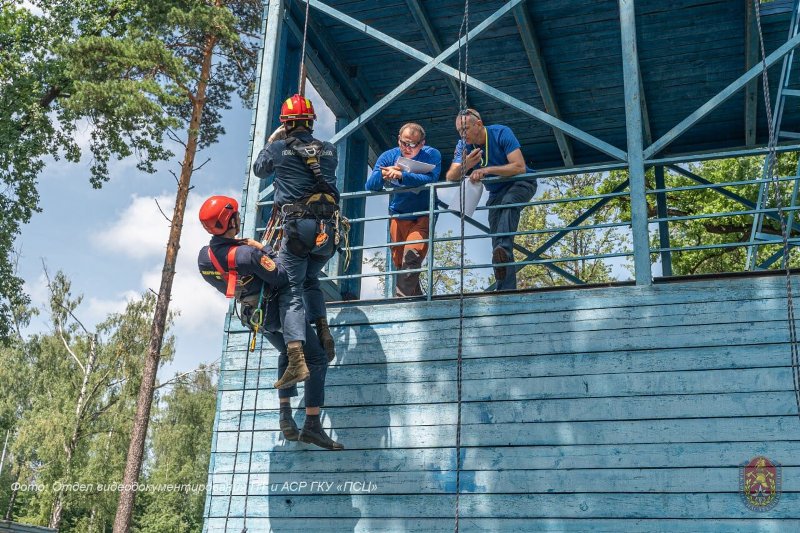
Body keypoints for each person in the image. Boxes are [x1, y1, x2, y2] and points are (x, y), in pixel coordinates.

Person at [197, 195, 343, 450]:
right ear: (230, 220)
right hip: (276, 313)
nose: (239, 218)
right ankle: (312, 424)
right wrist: (264, 249)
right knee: (317, 358)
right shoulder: (247, 254)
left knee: (287, 352)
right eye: (236, 215)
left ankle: (285, 414)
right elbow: (281, 276)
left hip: (254, 317)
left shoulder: (204, 258)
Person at [252, 94, 340, 389]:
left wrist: (272, 139)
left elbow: (260, 170)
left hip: (298, 229)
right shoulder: (330, 150)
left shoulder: (278, 148)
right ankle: (323, 330)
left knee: (291, 288)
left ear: (286, 124)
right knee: (311, 280)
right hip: (328, 232)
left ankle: (296, 360)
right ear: (312, 122)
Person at [445, 109, 537, 291]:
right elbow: (451, 176)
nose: (463, 135)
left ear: (478, 124)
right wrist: (467, 165)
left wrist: (487, 170)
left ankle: (502, 249)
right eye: (459, 131)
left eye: (465, 129)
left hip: (521, 183)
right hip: (496, 193)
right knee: (498, 244)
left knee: (509, 205)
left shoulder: (501, 132)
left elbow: (519, 167)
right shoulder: (463, 144)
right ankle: (506, 289)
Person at [365, 123, 441, 296]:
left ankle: (401, 299)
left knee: (412, 256)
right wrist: (383, 175)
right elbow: (371, 186)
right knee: (400, 262)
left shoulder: (431, 154)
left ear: (422, 143)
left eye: (413, 145)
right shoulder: (389, 156)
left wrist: (402, 175)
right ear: (399, 140)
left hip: (423, 214)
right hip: (399, 215)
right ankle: (417, 297)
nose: (407, 148)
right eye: (403, 143)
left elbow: (431, 177)